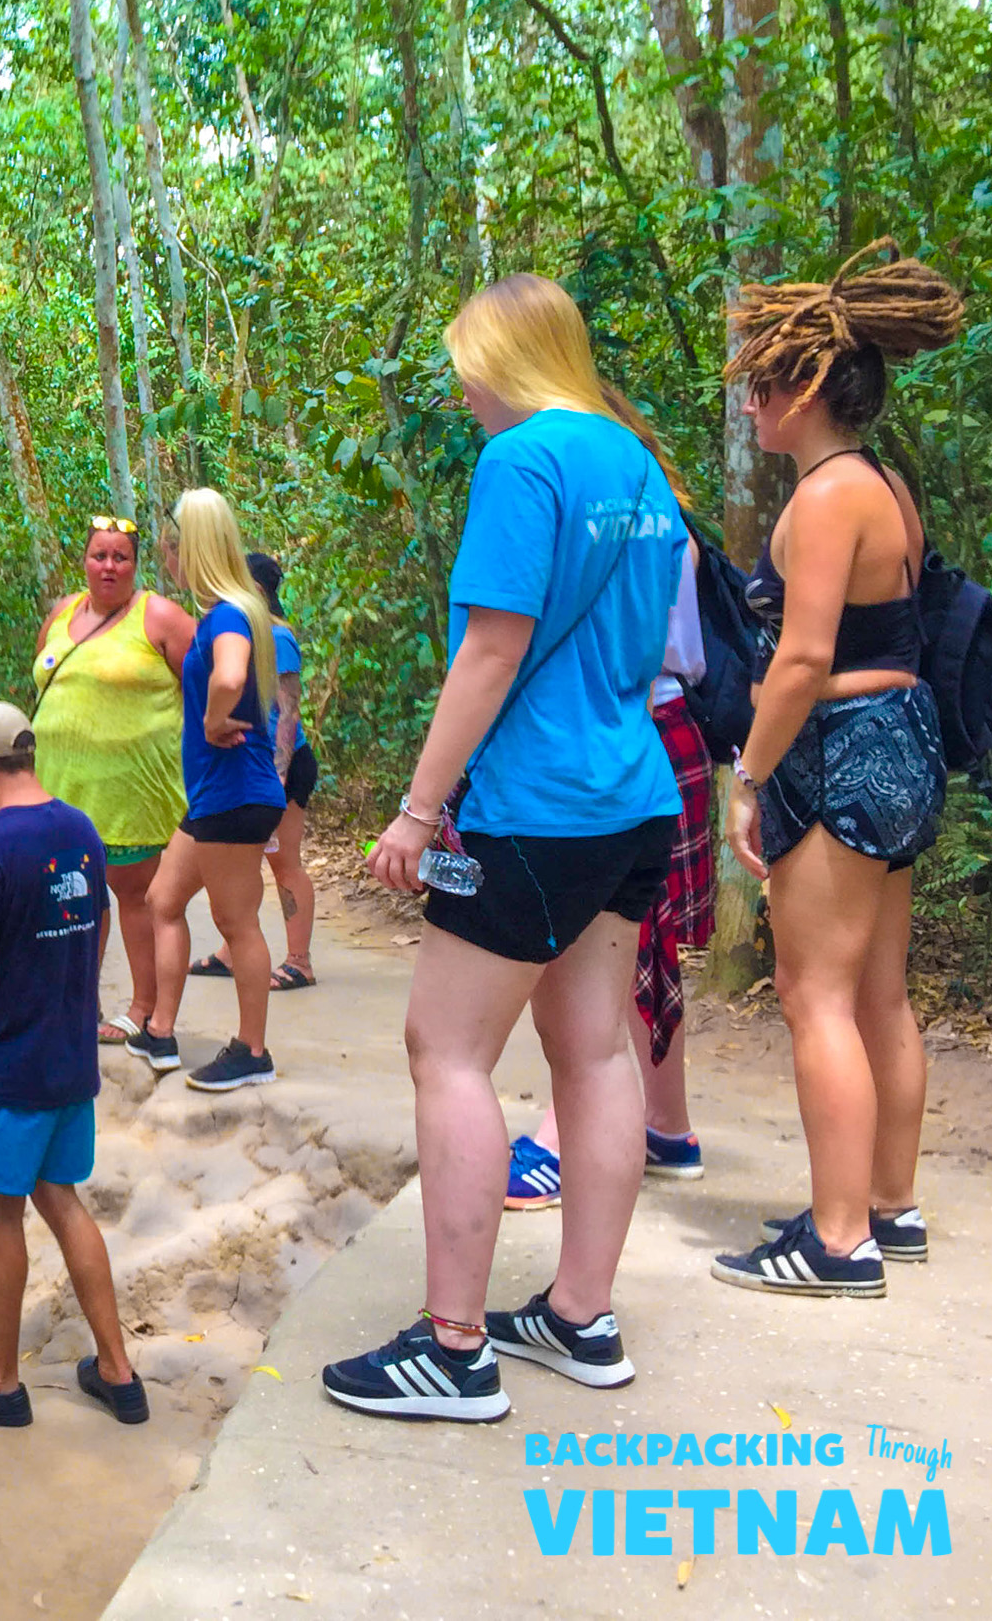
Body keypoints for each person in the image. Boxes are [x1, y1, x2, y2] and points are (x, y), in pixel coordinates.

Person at [325, 272, 683, 1422]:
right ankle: (580, 1317)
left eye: (465, 362)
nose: (460, 385)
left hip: (534, 804)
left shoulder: (520, 463)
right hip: (632, 793)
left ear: (503, 358)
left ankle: (455, 1346)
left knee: (447, 1048)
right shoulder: (638, 463)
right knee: (594, 1049)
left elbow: (490, 651)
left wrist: (417, 811)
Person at [710, 250, 959, 1296]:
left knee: (813, 994)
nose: (752, 403)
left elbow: (803, 658)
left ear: (805, 388)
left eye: (762, 385)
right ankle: (885, 1207)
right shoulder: (886, 486)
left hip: (842, 747)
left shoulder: (823, 499)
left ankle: (836, 1241)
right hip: (906, 735)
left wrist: (747, 775)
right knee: (880, 997)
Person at [0, 701, 148, 1430]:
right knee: (62, 1198)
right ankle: (118, 1370)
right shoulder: (78, 827)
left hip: (8, 1067)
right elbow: (101, 921)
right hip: (67, 1056)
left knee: (0, 1215)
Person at [506, 535, 713, 1209]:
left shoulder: (607, 522)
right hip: (666, 719)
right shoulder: (668, 524)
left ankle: (566, 1135)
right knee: (646, 940)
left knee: (595, 937)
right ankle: (666, 1124)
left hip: (620, 730)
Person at [28, 516, 195, 1056]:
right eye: (99, 555)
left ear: (135, 565)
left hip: (134, 795)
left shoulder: (161, 617)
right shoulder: (62, 612)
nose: (108, 566)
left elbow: (210, 687)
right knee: (72, 900)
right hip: (60, 792)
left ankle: (144, 1009)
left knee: (136, 898)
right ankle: (77, 1003)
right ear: (84, 559)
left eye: (120, 557)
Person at [138, 489, 287, 1091]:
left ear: (191, 548)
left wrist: (209, 719)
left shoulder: (228, 613)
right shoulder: (223, 612)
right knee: (162, 899)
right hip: (213, 797)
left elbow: (229, 675)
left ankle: (252, 1052)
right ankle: (159, 1030)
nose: (165, 558)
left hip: (235, 793)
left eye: (170, 547)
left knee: (237, 923)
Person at [191, 552, 318, 990]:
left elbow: (286, 711)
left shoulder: (276, 637)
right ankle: (232, 951)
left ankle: (299, 961)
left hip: (282, 765)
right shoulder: (244, 632)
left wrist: (278, 777)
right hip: (254, 765)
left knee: (284, 862)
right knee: (245, 864)